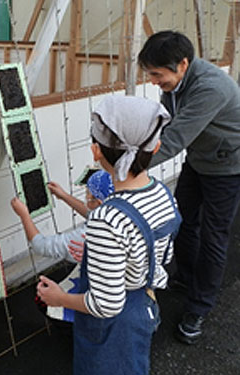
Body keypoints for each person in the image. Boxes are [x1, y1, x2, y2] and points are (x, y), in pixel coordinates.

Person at [36, 95, 181, 375]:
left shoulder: (107, 218)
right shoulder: (163, 194)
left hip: (112, 326)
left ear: (96, 151)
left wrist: (59, 298)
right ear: (156, 147)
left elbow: (105, 303)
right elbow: (165, 254)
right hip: (144, 303)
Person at [138, 30, 240, 345]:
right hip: (199, 159)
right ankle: (187, 276)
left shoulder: (211, 87)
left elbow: (174, 140)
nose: (154, 81)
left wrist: (126, 169)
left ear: (182, 64)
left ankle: (199, 306)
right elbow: (162, 123)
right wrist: (129, 143)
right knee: (182, 220)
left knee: (214, 235)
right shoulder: (175, 84)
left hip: (227, 166)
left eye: (158, 74)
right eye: (150, 74)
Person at [10, 170, 114, 264]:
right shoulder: (116, 211)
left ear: (99, 202)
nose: (86, 197)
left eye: (87, 193)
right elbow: (91, 213)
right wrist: (64, 196)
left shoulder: (86, 235)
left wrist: (24, 215)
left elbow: (40, 246)